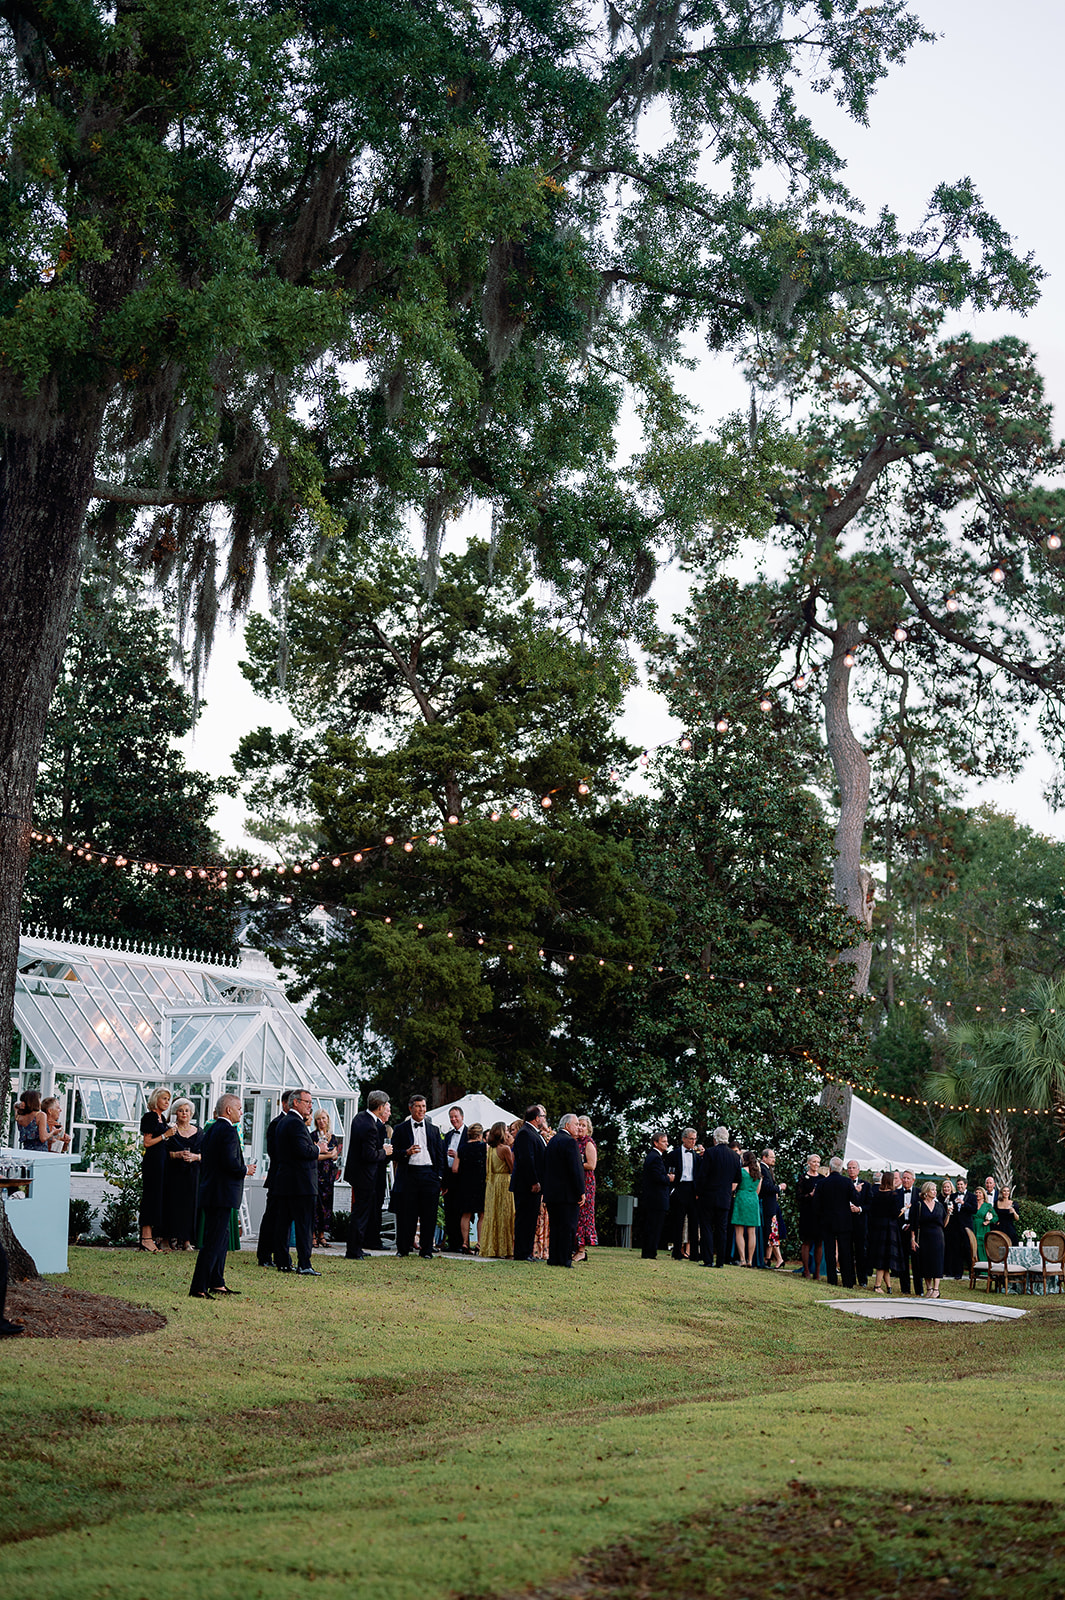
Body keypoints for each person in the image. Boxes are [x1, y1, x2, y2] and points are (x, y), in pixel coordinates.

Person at [189, 1094, 247, 1299]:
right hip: (221, 1193)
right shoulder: (228, 1131)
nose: (242, 1112)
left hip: (211, 1191)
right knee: (213, 1241)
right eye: (239, 1108)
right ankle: (198, 1286)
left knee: (221, 1239)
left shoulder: (211, 1129)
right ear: (228, 1110)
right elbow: (230, 1162)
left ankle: (217, 1281)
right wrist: (245, 1169)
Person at [271, 1087, 321, 1275]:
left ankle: (283, 1261)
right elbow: (303, 1151)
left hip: (286, 1181)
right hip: (301, 1183)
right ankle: (304, 1264)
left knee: (283, 1224)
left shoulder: (284, 1122)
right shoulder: (295, 1123)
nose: (310, 1106)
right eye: (307, 1102)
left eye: (311, 1102)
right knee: (303, 1225)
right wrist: (318, 1148)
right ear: (295, 1102)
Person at [392, 1094, 447, 1258]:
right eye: (418, 1106)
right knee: (406, 1214)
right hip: (409, 1174)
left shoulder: (434, 1130)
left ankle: (427, 1250)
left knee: (428, 1214)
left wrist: (439, 1178)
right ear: (410, 1108)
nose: (421, 1109)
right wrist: (406, 1152)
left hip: (429, 1175)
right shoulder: (400, 1129)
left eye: (423, 1106)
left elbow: (440, 1156)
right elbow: (393, 1153)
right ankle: (403, 1248)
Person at [343, 1090, 393, 1259]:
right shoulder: (369, 1126)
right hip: (364, 1176)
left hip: (357, 1174)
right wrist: (384, 1151)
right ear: (380, 1107)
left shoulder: (359, 1117)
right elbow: (369, 1155)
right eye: (386, 1106)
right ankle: (354, 1250)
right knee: (361, 1213)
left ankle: (356, 1247)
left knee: (359, 1212)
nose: (387, 1108)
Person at [542, 1114, 585, 1267]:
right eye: (576, 1124)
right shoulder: (570, 1143)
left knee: (555, 1227)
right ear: (567, 1126)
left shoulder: (552, 1141)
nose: (578, 1127)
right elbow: (575, 1169)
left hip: (553, 1193)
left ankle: (554, 1258)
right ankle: (565, 1259)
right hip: (567, 1194)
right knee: (568, 1228)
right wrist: (581, 1190)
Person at [257, 1090, 293, 1267]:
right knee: (272, 1217)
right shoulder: (277, 1123)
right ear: (285, 1103)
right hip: (278, 1178)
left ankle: (279, 1254)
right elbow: (274, 1152)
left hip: (289, 1179)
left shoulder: (295, 1123)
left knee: (282, 1219)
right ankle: (264, 1255)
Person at [697, 1127, 741, 1268]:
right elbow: (738, 1177)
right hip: (725, 1197)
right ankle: (721, 1261)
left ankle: (708, 1260)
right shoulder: (735, 1156)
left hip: (708, 1196)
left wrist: (699, 1191)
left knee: (707, 1228)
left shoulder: (710, 1153)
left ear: (715, 1138)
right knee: (722, 1230)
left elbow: (702, 1175)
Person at [163, 1097, 202, 1249]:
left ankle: (186, 1241)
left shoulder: (199, 1132)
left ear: (191, 1113)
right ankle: (168, 1238)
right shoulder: (170, 1131)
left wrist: (195, 1157)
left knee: (190, 1206)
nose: (184, 1113)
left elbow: (208, 1154)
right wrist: (177, 1155)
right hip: (174, 1175)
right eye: (181, 1111)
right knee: (172, 1205)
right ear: (175, 1113)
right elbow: (163, 1153)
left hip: (193, 1175)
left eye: (187, 1110)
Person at [139, 1086, 175, 1251]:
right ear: (156, 1099)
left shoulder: (162, 1119)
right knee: (150, 1197)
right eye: (164, 1099)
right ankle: (146, 1238)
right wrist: (164, 1136)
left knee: (158, 1198)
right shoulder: (150, 1117)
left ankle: (151, 1237)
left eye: (168, 1099)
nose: (167, 1102)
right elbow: (147, 1143)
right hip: (153, 1162)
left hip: (162, 1161)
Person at [510, 1104, 548, 1262]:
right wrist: (534, 1181)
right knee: (524, 1218)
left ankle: (527, 1251)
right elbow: (527, 1159)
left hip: (532, 1184)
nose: (544, 1120)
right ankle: (521, 1252)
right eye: (543, 1117)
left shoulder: (534, 1133)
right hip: (526, 1185)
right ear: (537, 1118)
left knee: (531, 1218)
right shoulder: (525, 1133)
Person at [818, 1155, 860, 1287]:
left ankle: (832, 1279)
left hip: (827, 1221)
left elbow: (816, 1204)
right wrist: (857, 1191)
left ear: (830, 1168)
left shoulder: (822, 1183)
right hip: (844, 1221)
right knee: (845, 1252)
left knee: (830, 1251)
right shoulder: (847, 1183)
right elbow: (855, 1200)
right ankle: (847, 1281)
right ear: (841, 1169)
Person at [480, 1122, 515, 1258]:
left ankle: (491, 1247)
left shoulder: (490, 1149)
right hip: (504, 1183)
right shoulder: (505, 1149)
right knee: (506, 1215)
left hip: (492, 1184)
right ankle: (505, 1249)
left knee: (492, 1215)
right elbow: (512, 1168)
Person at [867, 1170, 903, 1294]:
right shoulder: (894, 1195)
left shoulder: (876, 1194)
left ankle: (889, 1287)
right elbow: (895, 1213)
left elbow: (872, 1211)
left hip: (877, 1228)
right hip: (889, 1228)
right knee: (883, 1260)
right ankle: (877, 1286)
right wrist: (902, 1211)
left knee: (884, 1258)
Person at [669, 1127, 701, 1262]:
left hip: (692, 1190)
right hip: (680, 1188)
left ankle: (694, 1253)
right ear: (684, 1139)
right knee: (678, 1221)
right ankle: (676, 1251)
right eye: (691, 1139)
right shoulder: (674, 1154)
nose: (693, 1142)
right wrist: (673, 1189)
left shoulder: (697, 1156)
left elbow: (700, 1175)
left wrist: (698, 1192)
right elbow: (669, 1172)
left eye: (695, 1139)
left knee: (694, 1222)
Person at [911, 1180, 946, 1299]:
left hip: (938, 1236)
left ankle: (936, 1289)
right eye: (932, 1189)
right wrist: (913, 1239)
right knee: (925, 1262)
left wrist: (950, 1214)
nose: (935, 1192)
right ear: (926, 1191)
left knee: (937, 1261)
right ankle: (929, 1289)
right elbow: (914, 1224)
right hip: (924, 1236)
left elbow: (944, 1223)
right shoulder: (919, 1205)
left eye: (936, 1190)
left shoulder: (940, 1206)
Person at [640, 1131, 672, 1259]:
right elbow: (657, 1178)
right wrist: (669, 1178)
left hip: (653, 1198)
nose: (667, 1144)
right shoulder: (655, 1158)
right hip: (656, 1199)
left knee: (652, 1226)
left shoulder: (653, 1156)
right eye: (664, 1141)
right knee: (654, 1226)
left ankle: (649, 1251)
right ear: (656, 1143)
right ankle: (650, 1252)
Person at [312, 1108, 342, 1247]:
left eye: (324, 1118)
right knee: (315, 1203)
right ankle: (313, 1235)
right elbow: (314, 1156)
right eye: (319, 1119)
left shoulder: (332, 1137)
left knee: (326, 1203)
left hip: (328, 1173)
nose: (321, 1121)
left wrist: (330, 1155)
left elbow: (335, 1155)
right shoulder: (312, 1136)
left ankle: (322, 1235)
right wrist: (328, 1155)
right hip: (316, 1172)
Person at [441, 1106, 469, 1253]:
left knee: (460, 1211)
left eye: (456, 1116)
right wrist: (443, 1183)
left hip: (463, 1178)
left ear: (462, 1117)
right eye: (451, 1117)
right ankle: (452, 1243)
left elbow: (472, 1155)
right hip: (450, 1178)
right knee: (449, 1211)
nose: (453, 1119)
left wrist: (458, 1155)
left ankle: (461, 1243)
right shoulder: (448, 1135)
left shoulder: (469, 1134)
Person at [573, 1115, 598, 1263]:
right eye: (578, 1125)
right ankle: (575, 1247)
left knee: (584, 1216)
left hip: (586, 1183)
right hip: (574, 1182)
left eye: (583, 1125)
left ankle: (581, 1250)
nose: (580, 1128)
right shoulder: (573, 1141)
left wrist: (573, 1165)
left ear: (588, 1129)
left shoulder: (588, 1143)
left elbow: (591, 1165)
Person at [458, 1123, 486, 1253]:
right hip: (480, 1183)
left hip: (465, 1183)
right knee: (482, 1213)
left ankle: (464, 1243)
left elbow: (455, 1168)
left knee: (465, 1214)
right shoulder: (484, 1147)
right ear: (480, 1135)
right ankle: (480, 1243)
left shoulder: (462, 1148)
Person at [731, 1151, 762, 1268]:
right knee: (752, 1232)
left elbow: (733, 1187)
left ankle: (742, 1259)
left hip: (741, 1198)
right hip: (753, 1199)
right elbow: (758, 1190)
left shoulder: (741, 1171)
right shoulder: (758, 1173)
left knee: (739, 1231)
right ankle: (750, 1260)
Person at [796, 1154, 824, 1279]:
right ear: (808, 1163)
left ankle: (817, 1272)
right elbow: (798, 1197)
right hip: (807, 1213)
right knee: (806, 1242)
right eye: (814, 1162)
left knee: (819, 1243)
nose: (816, 1164)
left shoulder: (823, 1179)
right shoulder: (803, 1178)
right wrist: (810, 1195)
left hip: (819, 1215)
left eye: (818, 1162)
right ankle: (806, 1270)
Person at [846, 1159, 872, 1286]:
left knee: (861, 1251)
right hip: (847, 1222)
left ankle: (863, 1279)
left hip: (861, 1223)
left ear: (858, 1170)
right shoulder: (844, 1183)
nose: (851, 1170)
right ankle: (850, 1278)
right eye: (849, 1167)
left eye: (853, 1167)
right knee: (848, 1251)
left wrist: (859, 1209)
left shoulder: (866, 1185)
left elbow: (870, 1204)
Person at [897, 1169, 922, 1296]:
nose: (906, 1180)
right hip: (901, 1230)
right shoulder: (897, 1193)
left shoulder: (919, 1193)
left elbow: (921, 1213)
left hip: (915, 1231)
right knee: (903, 1260)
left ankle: (919, 1289)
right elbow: (894, 1213)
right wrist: (902, 1225)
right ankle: (905, 1288)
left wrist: (912, 1226)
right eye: (904, 1178)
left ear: (913, 1180)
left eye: (908, 1178)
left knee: (917, 1261)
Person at [759, 1149, 785, 1270]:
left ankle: (768, 1258)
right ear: (764, 1157)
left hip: (772, 1205)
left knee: (773, 1230)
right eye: (772, 1157)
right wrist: (779, 1188)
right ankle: (777, 1258)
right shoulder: (763, 1169)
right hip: (768, 1205)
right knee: (771, 1231)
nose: (774, 1159)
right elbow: (766, 1187)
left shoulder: (768, 1169)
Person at [971, 1186, 997, 1263]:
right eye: (976, 1193)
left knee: (983, 1247)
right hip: (973, 1227)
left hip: (983, 1228)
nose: (978, 1194)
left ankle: (984, 1268)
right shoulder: (972, 1204)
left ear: (983, 1194)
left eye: (980, 1193)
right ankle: (974, 1268)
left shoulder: (987, 1206)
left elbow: (996, 1217)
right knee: (973, 1247)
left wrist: (989, 1221)